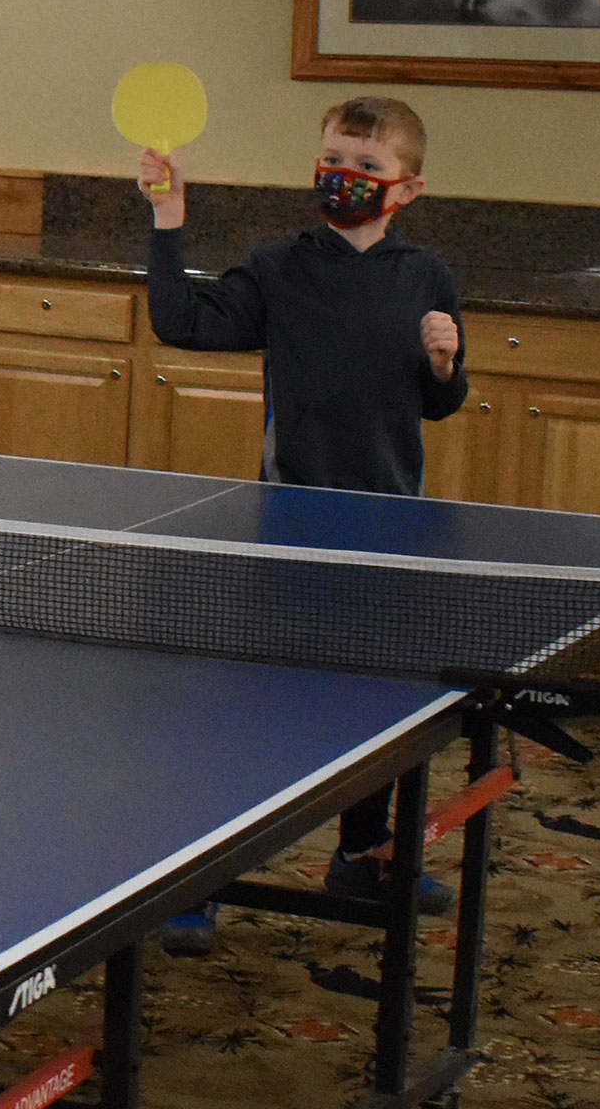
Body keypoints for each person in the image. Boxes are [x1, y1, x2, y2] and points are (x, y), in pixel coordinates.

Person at [139, 95, 468, 957]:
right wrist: (169, 220)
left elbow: (438, 404)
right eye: (335, 159)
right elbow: (182, 321)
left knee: (375, 711)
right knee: (254, 715)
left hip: (389, 520)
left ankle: (362, 855)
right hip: (291, 517)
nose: (345, 177)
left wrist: (446, 363)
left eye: (367, 167)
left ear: (409, 187)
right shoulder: (280, 266)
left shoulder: (428, 277)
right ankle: (196, 883)